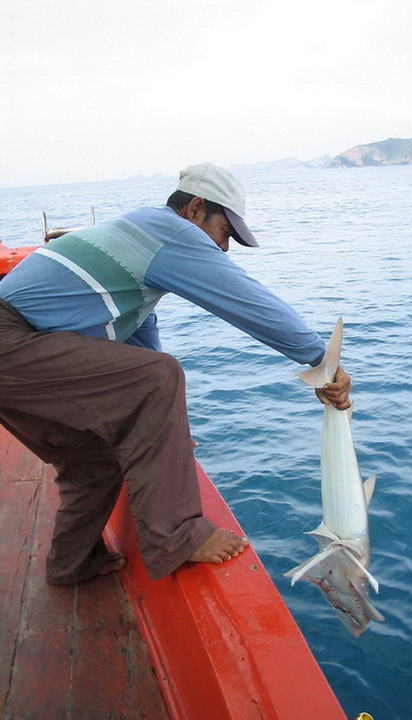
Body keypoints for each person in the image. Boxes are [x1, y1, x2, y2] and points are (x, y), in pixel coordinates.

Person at [0, 162, 351, 585]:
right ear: (196, 208)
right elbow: (247, 302)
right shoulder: (172, 233)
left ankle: (72, 562)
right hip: (11, 342)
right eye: (226, 232)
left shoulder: (136, 242)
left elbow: (138, 339)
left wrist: (164, 426)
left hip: (19, 352)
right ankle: (179, 536)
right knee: (160, 375)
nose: (225, 248)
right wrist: (321, 360)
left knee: (92, 457)